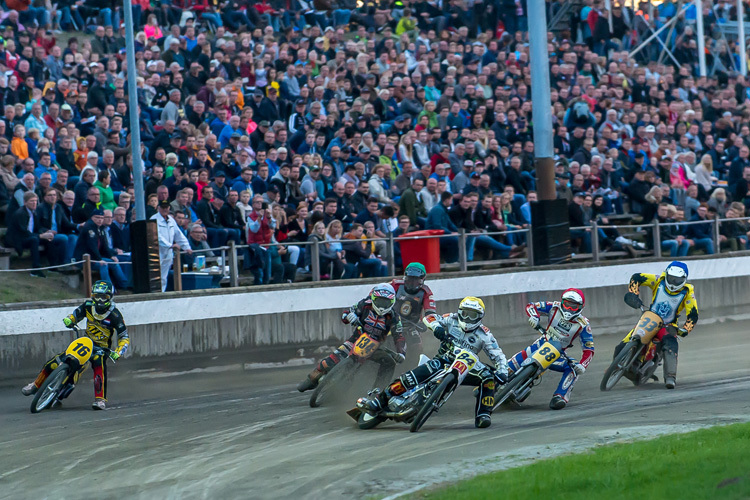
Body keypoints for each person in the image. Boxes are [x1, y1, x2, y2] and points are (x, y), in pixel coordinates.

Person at [361, 296, 507, 428]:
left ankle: (483, 414)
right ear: (460, 312)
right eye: (465, 313)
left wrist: (502, 371)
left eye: (472, 315)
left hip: (468, 367)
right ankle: (380, 401)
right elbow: (429, 318)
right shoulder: (451, 318)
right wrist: (437, 327)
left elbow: (498, 354)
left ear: (480, 317)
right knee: (409, 377)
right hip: (443, 361)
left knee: (489, 377)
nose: (467, 318)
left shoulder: (485, 334)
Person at [21, 281, 130, 410]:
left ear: (110, 298)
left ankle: (100, 399)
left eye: (104, 297)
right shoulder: (88, 306)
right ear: (92, 296)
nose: (100, 300)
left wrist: (118, 351)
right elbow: (76, 314)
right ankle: (36, 384)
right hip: (85, 342)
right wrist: (70, 319)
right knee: (57, 360)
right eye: (97, 296)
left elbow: (124, 337)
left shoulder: (115, 315)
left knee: (98, 363)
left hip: (101, 348)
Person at [297, 283, 405, 392]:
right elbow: (345, 315)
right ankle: (312, 378)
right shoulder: (364, 304)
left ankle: (378, 391)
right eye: (379, 301)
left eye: (385, 302)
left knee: (389, 362)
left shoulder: (395, 318)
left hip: (376, 347)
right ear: (373, 298)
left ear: (392, 302)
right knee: (328, 362)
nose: (381, 306)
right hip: (355, 339)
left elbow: (399, 336)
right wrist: (349, 316)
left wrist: (401, 353)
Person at [509, 288, 593, 410]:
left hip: (558, 355)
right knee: (510, 364)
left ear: (581, 307)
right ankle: (493, 381)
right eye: (567, 304)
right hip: (540, 345)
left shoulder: (583, 324)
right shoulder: (554, 307)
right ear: (562, 301)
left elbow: (589, 349)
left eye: (573, 306)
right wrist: (534, 316)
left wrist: (583, 365)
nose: (569, 308)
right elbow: (531, 306)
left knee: (573, 369)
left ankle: (560, 396)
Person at [618, 262, 699, 389]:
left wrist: (683, 330)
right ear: (666, 275)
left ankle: (670, 377)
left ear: (684, 279)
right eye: (672, 278)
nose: (673, 283)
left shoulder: (688, 292)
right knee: (622, 345)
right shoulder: (658, 280)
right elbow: (636, 277)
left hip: (668, 326)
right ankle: (619, 365)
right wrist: (634, 294)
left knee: (671, 344)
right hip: (649, 318)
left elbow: (693, 315)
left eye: (677, 280)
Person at [389, 262, 436, 366]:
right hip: (390, 322)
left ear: (423, 280)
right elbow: (378, 294)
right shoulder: (395, 285)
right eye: (410, 279)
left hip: (411, 326)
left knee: (417, 348)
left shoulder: (426, 292)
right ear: (405, 277)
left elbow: (431, 313)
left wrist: (426, 323)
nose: (412, 283)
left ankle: (412, 369)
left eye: (416, 280)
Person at [151, 200, 192, 292]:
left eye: (166, 207)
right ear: (159, 208)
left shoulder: (171, 220)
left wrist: (187, 247)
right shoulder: (153, 219)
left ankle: (161, 293)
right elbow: (157, 236)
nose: (165, 209)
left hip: (168, 253)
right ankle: (154, 294)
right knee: (155, 276)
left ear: (169, 208)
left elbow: (178, 234)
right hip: (157, 252)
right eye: (163, 207)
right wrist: (170, 245)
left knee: (164, 277)